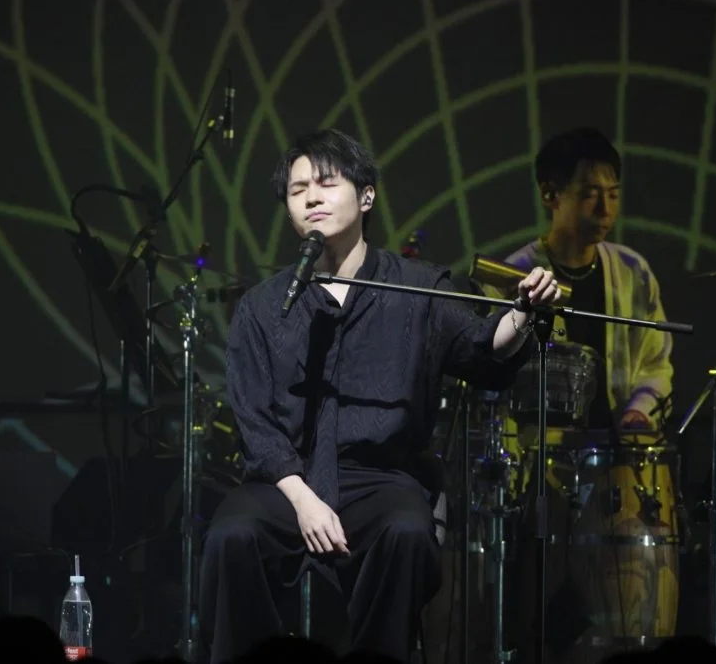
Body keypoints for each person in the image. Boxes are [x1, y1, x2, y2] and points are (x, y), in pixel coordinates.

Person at [198, 129, 562, 663]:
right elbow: (253, 419)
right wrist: (303, 499)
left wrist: (522, 313)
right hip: (287, 480)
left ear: (366, 195)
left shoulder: (417, 287)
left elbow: (480, 347)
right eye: (298, 190)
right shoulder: (263, 305)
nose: (312, 198)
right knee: (231, 536)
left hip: (378, 477)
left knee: (407, 532)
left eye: (327, 183)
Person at [487, 127, 674, 432]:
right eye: (590, 195)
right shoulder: (515, 275)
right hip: (538, 448)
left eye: (613, 195)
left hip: (613, 448)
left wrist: (639, 411)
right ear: (550, 195)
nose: (605, 209)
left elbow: (655, 363)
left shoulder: (633, 272)